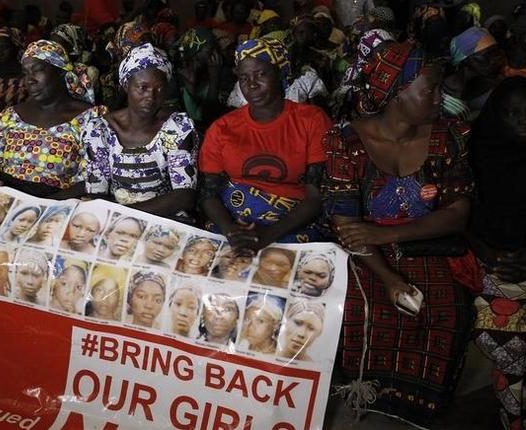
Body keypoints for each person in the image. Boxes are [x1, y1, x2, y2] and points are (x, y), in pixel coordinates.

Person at [323, 43, 475, 425]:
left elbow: (457, 213)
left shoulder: (450, 135)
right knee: (360, 307)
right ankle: (372, 395)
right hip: (367, 256)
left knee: (449, 308)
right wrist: (389, 277)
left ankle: (422, 404)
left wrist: (383, 233)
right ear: (395, 93)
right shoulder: (348, 142)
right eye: (432, 89)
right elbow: (346, 226)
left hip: (428, 245)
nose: (442, 97)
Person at [200, 38, 331, 252]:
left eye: (260, 74)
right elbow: (208, 194)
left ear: (280, 74)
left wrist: (268, 235)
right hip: (233, 223)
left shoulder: (312, 120)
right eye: (244, 78)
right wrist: (231, 231)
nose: (251, 85)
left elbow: (316, 196)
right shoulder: (222, 128)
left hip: (291, 222)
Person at [467, 77, 526, 430]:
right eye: (512, 114)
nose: (522, 121)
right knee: (511, 359)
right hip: (493, 268)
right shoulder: (477, 154)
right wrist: (485, 250)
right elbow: (460, 213)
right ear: (495, 116)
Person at [82, 43, 198, 217]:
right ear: (126, 85)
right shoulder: (100, 131)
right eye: (142, 88)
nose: (151, 97)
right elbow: (96, 191)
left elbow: (184, 196)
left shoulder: (176, 129)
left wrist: (124, 215)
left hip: (165, 217)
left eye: (159, 89)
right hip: (114, 218)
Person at [0, 40, 106, 198]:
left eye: (37, 70)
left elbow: (94, 180)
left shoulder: (90, 119)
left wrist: (45, 205)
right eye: (25, 73)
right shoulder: (8, 117)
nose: (30, 79)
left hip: (59, 205)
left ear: (61, 72)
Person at [443, 27, 505, 122]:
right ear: (464, 60)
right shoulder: (439, 89)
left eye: (496, 52)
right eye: (487, 55)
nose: (495, 59)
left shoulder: (495, 87)